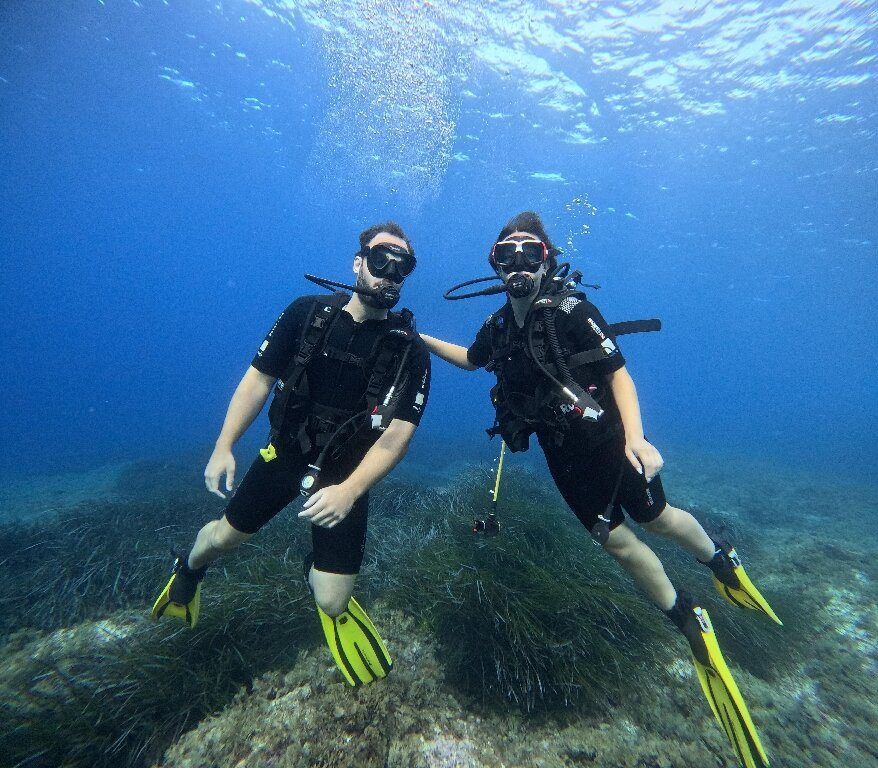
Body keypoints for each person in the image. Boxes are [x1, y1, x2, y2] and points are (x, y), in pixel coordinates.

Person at [420, 211, 777, 768]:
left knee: (657, 520)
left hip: (612, 443)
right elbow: (471, 360)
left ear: (547, 259)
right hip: (563, 456)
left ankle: (720, 561)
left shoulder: (574, 312)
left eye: (530, 253)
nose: (518, 264)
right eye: (506, 254)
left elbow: (618, 374)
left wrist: (637, 436)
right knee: (612, 539)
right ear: (494, 264)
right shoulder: (495, 327)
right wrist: (416, 337)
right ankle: (688, 618)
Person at [152, 222, 431, 687]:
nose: (390, 273)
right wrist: (224, 445)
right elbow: (258, 380)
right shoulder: (307, 314)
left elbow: (395, 438)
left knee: (332, 602)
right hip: (284, 455)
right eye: (381, 260)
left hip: (347, 478)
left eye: (402, 267)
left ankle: (316, 570)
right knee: (222, 540)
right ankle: (189, 566)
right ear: (358, 262)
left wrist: (348, 491)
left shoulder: (409, 353)